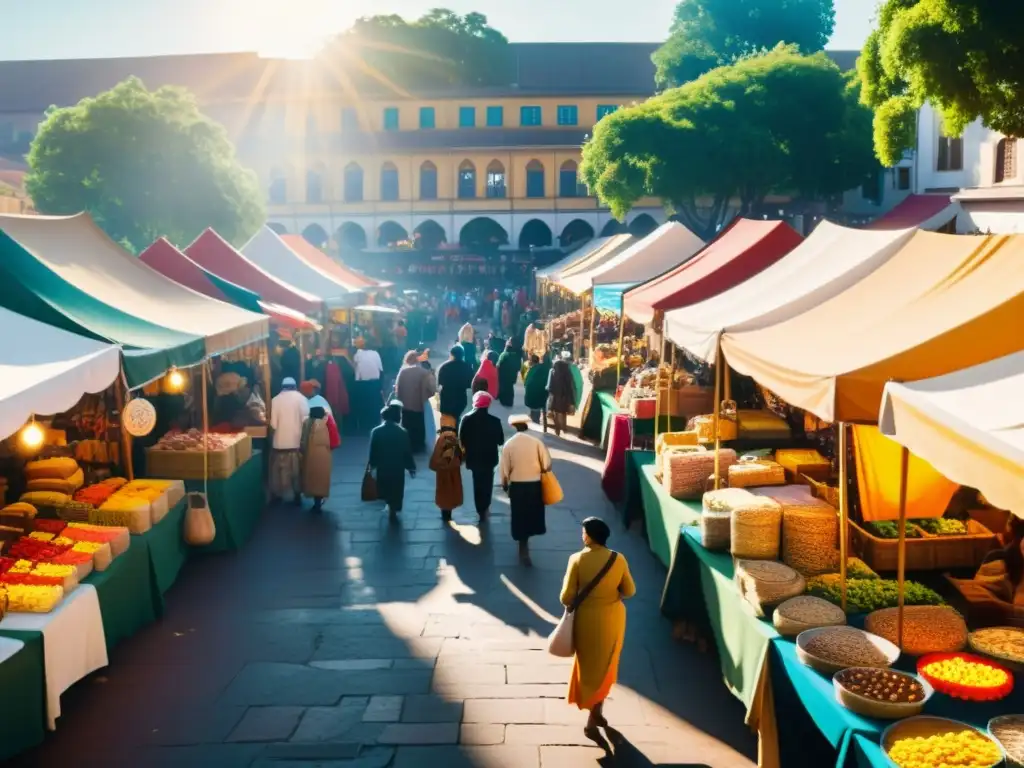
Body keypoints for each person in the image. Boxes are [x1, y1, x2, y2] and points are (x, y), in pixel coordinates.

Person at [560, 517, 636, 738]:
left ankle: (593, 714)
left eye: (584, 532)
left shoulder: (576, 559)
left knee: (589, 666)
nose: (582, 535)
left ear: (590, 536)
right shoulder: (618, 559)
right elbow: (630, 591)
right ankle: (597, 711)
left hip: (586, 621)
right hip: (612, 619)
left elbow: (566, 597)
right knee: (607, 666)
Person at [499, 414, 550, 565]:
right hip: (534, 484)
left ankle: (522, 544)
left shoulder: (509, 444)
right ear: (527, 426)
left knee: (519, 514)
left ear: (514, 427)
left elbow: (504, 469)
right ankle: (526, 540)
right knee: (532, 513)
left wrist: (505, 484)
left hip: (517, 485)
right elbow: (546, 464)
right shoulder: (536, 442)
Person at [459, 391, 505, 520]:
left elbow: (461, 439)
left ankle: (480, 508)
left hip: (473, 458)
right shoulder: (495, 421)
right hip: (490, 458)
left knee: (477, 482)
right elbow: (500, 441)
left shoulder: (466, 419)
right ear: (488, 404)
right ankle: (485, 506)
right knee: (487, 482)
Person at [368, 401, 416, 516]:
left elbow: (373, 451)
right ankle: (394, 508)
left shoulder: (376, 432)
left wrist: (372, 466)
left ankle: (389, 504)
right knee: (397, 489)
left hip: (383, 467)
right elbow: (407, 452)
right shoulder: (403, 432)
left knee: (385, 487)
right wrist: (411, 467)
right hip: (397, 468)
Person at [269, 377, 310, 505]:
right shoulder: (302, 399)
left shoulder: (275, 400)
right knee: (296, 471)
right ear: (295, 386)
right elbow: (306, 421)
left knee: (278, 472)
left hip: (279, 443)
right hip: (296, 442)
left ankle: (278, 494)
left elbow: (273, 424)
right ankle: (297, 494)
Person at [394, 350, 436, 453]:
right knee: (419, 425)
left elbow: (397, 390)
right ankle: (418, 446)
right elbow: (432, 389)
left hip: (405, 405)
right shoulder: (424, 372)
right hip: (419, 404)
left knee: (406, 424)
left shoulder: (402, 372)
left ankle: (407, 445)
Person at [429, 417, 464, 523]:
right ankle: (448, 513)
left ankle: (445, 513)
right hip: (453, 471)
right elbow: (460, 455)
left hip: (443, 471)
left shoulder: (442, 438)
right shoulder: (454, 438)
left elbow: (436, 457)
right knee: (452, 490)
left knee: (443, 491)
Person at [300, 406, 334, 513]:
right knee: (321, 477)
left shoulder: (307, 423)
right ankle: (319, 501)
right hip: (325, 454)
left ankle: (315, 500)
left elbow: (303, 440)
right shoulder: (327, 422)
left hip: (310, 454)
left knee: (312, 477)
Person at [436, 345, 474, 421]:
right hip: (460, 396)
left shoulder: (445, 366)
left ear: (451, 354)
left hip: (446, 396)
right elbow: (470, 383)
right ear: (463, 355)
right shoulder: (467, 366)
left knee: (447, 418)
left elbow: (440, 382)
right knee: (456, 417)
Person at [353, 343, 384, 432]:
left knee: (364, 405)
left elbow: (355, 366)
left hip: (362, 383)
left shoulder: (358, 354)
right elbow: (381, 369)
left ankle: (364, 427)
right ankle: (375, 425)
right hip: (374, 383)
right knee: (374, 404)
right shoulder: (375, 354)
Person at [547, 353, 578, 437]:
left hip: (555, 397)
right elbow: (570, 386)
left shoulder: (554, 373)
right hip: (565, 397)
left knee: (557, 413)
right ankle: (563, 427)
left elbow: (550, 386)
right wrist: (572, 401)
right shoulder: (568, 373)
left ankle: (558, 429)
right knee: (563, 412)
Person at [524, 353, 552, 425]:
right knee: (538, 407)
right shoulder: (549, 369)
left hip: (534, 392)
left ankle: (535, 423)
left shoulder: (536, 368)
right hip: (543, 392)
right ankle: (535, 420)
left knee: (535, 408)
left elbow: (528, 380)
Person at [497, 340, 522, 408]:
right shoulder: (517, 355)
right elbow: (519, 367)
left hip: (503, 376)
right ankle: (510, 402)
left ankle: (504, 401)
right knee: (510, 388)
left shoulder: (504, 354)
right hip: (512, 376)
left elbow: (498, 365)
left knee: (504, 388)